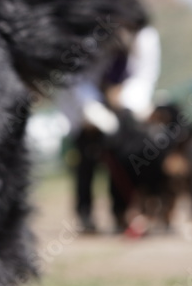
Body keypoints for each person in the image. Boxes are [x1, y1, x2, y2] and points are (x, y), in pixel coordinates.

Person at [59, 25, 161, 234]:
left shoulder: (145, 38)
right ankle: (85, 216)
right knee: (86, 163)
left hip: (124, 108)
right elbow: (78, 79)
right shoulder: (87, 36)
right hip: (86, 110)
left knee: (123, 161)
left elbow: (145, 75)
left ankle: (121, 213)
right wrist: (94, 111)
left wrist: (122, 99)